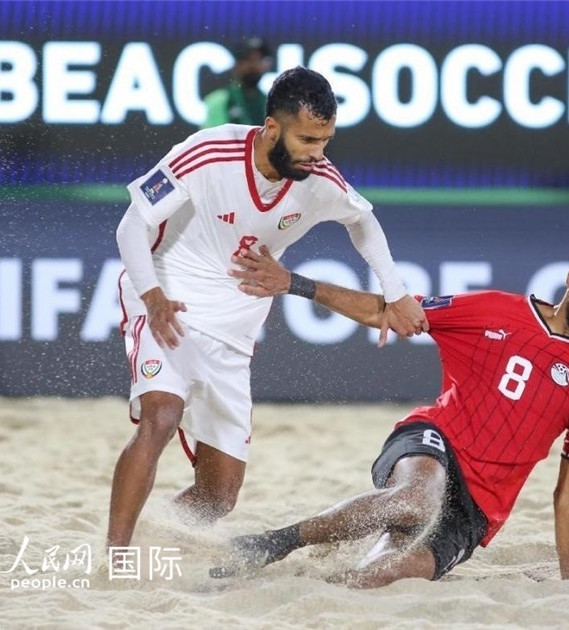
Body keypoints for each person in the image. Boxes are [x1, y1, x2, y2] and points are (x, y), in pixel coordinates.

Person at [107, 66, 428, 550]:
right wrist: (151, 295)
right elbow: (132, 225)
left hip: (234, 327)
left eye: (326, 140)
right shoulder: (208, 152)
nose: (318, 153)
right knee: (161, 416)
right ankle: (114, 559)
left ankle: (156, 536)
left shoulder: (320, 178)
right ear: (272, 129)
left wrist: (396, 292)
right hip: (169, 299)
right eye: (307, 140)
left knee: (218, 496)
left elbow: (363, 222)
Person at [213, 235, 569, 588]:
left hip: (478, 508)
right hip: (434, 442)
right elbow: (388, 312)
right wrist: (293, 282)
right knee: (415, 501)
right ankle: (275, 542)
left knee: (375, 577)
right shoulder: (496, 311)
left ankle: (326, 583)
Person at [201, 37, 273, 128]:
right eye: (248, 60)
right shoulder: (219, 100)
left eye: (258, 60)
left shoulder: (270, 102)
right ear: (237, 65)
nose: (254, 66)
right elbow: (212, 135)